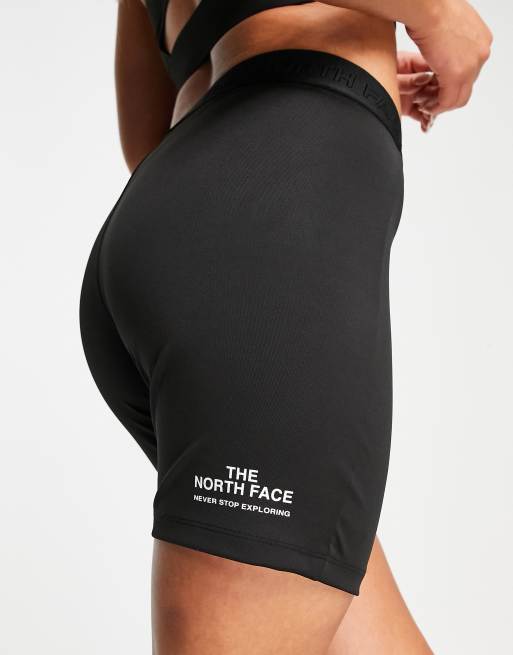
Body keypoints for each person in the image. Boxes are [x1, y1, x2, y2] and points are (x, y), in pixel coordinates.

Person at [79, 0, 492, 652]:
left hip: (174, 232)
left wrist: (322, 52)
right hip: (270, 257)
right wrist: (438, 15)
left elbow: (147, 135)